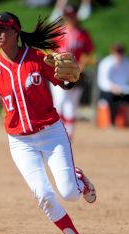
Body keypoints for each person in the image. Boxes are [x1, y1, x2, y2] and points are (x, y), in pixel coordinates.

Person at [0, 12, 97, 234]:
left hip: (51, 133)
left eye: (2, 28)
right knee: (44, 195)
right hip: (20, 142)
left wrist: (70, 80)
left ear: (16, 31)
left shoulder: (35, 58)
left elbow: (63, 83)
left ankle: (79, 181)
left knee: (69, 193)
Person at [49, 5, 94, 139]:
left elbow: (88, 52)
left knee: (71, 106)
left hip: (75, 73)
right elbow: (51, 50)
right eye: (67, 15)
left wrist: (80, 67)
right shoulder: (59, 32)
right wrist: (56, 64)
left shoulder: (82, 34)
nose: (70, 18)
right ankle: (58, 133)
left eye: (72, 15)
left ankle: (69, 135)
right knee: (59, 103)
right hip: (59, 72)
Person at [97, 42, 129, 129]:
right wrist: (112, 87)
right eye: (117, 51)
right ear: (112, 51)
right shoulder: (106, 63)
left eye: (121, 51)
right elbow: (103, 81)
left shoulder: (128, 63)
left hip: (124, 90)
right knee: (113, 97)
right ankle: (112, 123)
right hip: (109, 91)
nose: (119, 54)